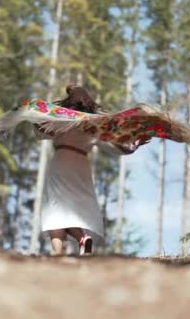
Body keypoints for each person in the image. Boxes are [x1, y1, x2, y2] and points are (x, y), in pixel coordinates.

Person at [34, 85, 149, 255]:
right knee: (71, 206)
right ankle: (82, 239)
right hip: (81, 164)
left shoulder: (60, 118)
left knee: (55, 206)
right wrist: (135, 144)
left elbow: (41, 130)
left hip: (61, 161)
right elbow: (117, 147)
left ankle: (58, 253)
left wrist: (35, 116)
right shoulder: (95, 125)